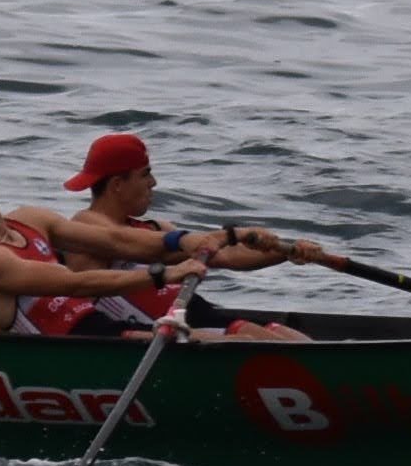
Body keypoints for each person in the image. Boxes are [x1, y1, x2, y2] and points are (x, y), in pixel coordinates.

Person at [44, 131, 308, 342]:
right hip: (146, 332)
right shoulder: (86, 225)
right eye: (145, 174)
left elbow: (228, 256)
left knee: (285, 334)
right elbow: (123, 241)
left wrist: (289, 250)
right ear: (116, 185)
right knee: (253, 337)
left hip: (193, 313)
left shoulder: (156, 227)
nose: (154, 183)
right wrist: (230, 234)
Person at [0, 155, 196, 339]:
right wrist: (161, 275)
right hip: (74, 352)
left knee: (222, 333)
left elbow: (114, 241)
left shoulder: (30, 218)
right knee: (190, 339)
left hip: (103, 329)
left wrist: (187, 242)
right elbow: (74, 284)